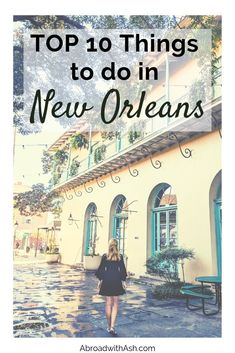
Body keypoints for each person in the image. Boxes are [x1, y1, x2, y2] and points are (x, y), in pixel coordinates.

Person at [95, 238, 127, 336]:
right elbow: (122, 270)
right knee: (116, 304)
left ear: (109, 245)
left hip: (107, 280)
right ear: (117, 245)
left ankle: (109, 327)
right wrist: (123, 281)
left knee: (108, 303)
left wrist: (100, 280)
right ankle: (112, 327)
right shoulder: (120, 256)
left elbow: (100, 270)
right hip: (116, 280)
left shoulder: (105, 256)